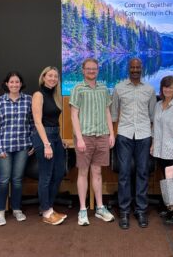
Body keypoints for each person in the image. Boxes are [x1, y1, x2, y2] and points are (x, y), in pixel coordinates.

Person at [111, 58, 156, 229]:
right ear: (128, 68)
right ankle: (124, 211)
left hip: (144, 135)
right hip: (124, 134)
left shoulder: (150, 89)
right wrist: (113, 135)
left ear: (142, 68)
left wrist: (153, 138)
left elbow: (153, 116)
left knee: (143, 172)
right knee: (124, 173)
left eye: (138, 67)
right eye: (132, 67)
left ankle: (141, 210)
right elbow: (114, 114)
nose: (135, 70)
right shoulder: (119, 88)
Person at [70, 57, 115, 226]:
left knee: (97, 172)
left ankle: (99, 208)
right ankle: (82, 210)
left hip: (102, 135)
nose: (91, 71)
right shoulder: (77, 88)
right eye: (88, 69)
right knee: (83, 172)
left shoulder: (103, 88)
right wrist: (79, 138)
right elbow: (74, 115)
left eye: (94, 69)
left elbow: (107, 112)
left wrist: (111, 134)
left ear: (98, 70)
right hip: (85, 137)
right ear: (83, 70)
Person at [0, 71, 34, 226]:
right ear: (7, 84)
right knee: (3, 180)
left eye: (17, 82)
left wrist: (32, 143)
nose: (15, 85)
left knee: (17, 180)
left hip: (23, 146)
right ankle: (1, 211)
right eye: (12, 82)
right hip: (5, 147)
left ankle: (16, 209)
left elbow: (32, 123)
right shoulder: (0, 102)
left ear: (21, 84)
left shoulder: (28, 100)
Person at [31, 66, 67, 226]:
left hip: (55, 136)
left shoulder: (55, 95)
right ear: (43, 77)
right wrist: (46, 144)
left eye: (55, 76)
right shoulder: (38, 95)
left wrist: (59, 139)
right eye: (50, 75)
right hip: (43, 136)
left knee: (59, 173)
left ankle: (49, 207)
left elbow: (53, 120)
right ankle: (46, 212)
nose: (53, 78)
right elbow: (38, 121)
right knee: (46, 176)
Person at [150, 76, 173, 224]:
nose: (167, 90)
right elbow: (155, 127)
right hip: (160, 150)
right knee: (166, 180)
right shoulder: (158, 105)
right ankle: (171, 207)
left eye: (170, 87)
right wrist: (153, 143)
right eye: (165, 87)